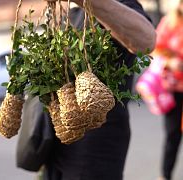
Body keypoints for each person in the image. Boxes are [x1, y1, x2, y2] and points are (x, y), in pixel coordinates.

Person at [42, 0, 156, 180]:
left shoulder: (121, 5)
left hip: (96, 149)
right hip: (58, 140)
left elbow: (147, 41)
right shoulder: (65, 14)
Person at [152, 1, 183, 180]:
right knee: (173, 135)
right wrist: (171, 62)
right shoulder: (169, 22)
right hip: (173, 88)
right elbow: (154, 47)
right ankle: (165, 176)